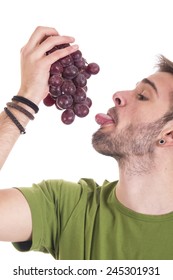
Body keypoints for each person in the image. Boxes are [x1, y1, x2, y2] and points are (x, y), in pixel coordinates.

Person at [0, 26, 173, 260]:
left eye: (142, 96)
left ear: (169, 135)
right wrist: (26, 99)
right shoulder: (65, 207)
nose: (118, 94)